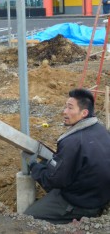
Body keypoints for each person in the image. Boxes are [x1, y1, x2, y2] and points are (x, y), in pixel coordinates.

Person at [23, 88, 110, 224]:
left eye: (70, 108)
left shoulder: (73, 142)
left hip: (81, 203)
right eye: (65, 107)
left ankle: (68, 219)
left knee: (26, 220)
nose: (64, 111)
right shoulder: (101, 130)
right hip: (98, 194)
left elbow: (54, 181)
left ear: (84, 113)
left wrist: (35, 167)